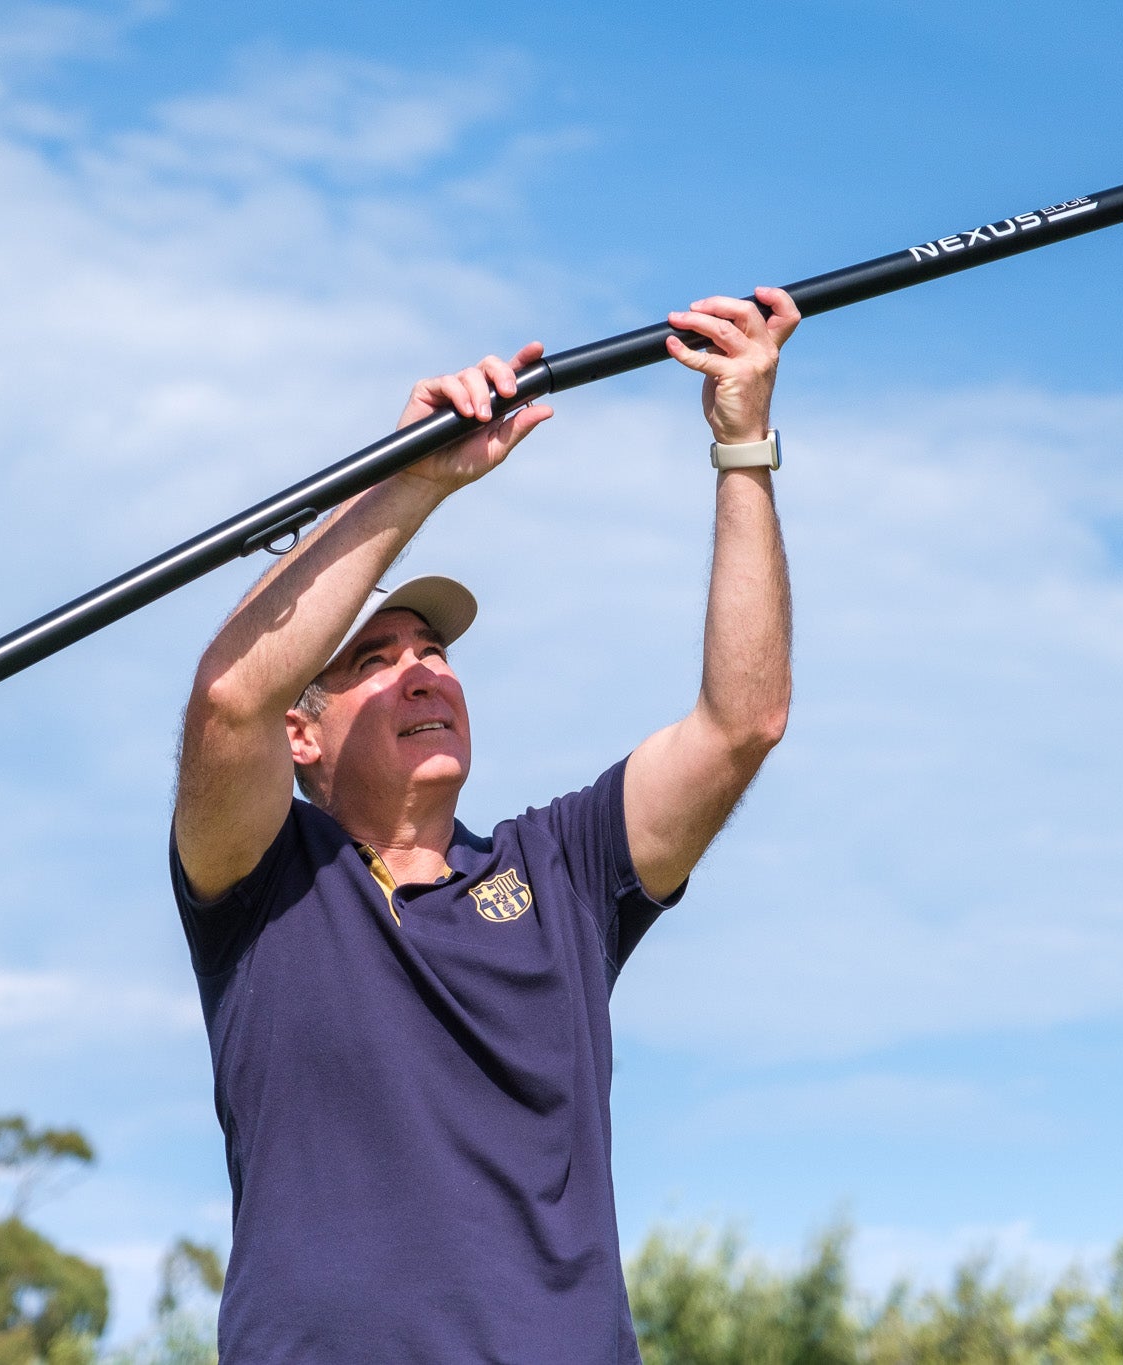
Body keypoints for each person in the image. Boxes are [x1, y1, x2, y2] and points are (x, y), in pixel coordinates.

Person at [168, 286, 802, 1362]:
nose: (421, 671)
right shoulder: (259, 883)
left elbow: (743, 722)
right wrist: (409, 481)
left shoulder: (559, 867)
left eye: (434, 652)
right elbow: (232, 695)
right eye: (373, 660)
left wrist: (742, 447)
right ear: (304, 736)